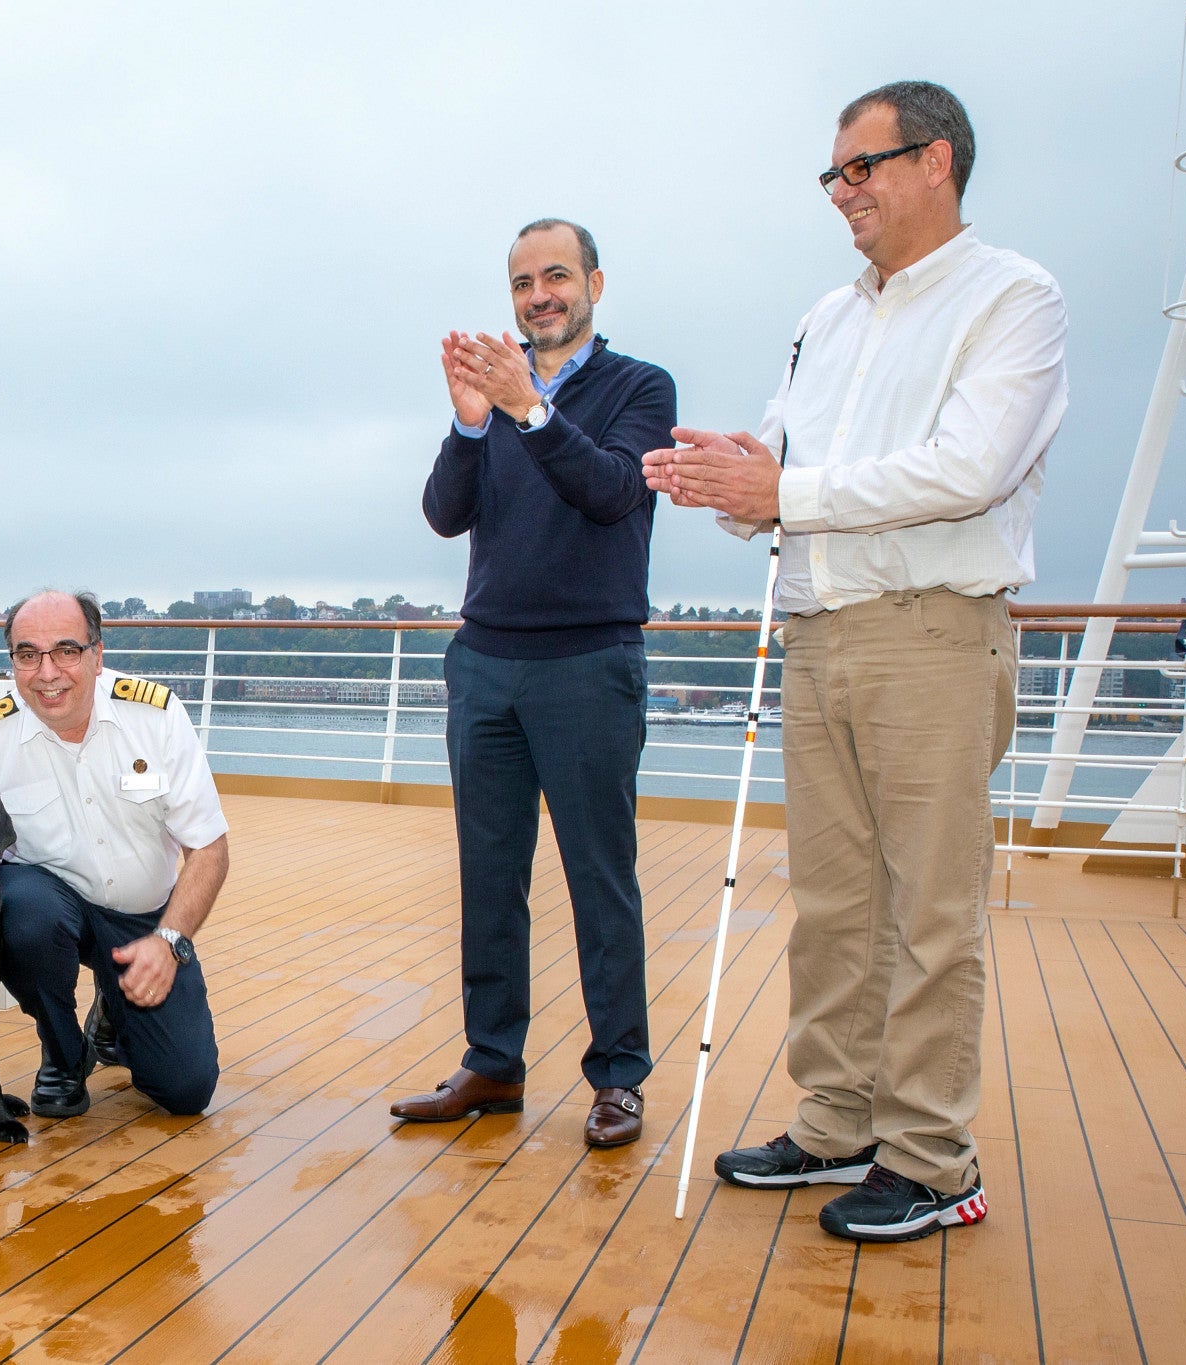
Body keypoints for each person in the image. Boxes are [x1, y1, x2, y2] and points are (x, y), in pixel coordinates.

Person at [643, 81, 1066, 1241]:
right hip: (818, 638)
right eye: (831, 175)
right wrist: (729, 476)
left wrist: (783, 489)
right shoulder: (824, 318)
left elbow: (964, 468)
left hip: (931, 632)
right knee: (830, 904)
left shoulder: (1012, 299)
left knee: (931, 912)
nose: (841, 193)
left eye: (859, 169)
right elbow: (787, 459)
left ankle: (931, 1158)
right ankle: (836, 1120)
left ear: (935, 163)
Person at [390, 219, 676, 1149]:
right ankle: (493, 1063)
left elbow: (609, 491)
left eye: (556, 275)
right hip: (486, 662)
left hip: (589, 662)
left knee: (601, 877)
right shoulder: (495, 392)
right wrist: (471, 423)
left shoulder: (639, 387)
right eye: (521, 282)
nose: (538, 295)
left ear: (595, 281)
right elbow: (443, 515)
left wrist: (528, 409)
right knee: (489, 873)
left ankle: (618, 1076)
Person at [0, 590, 229, 1118]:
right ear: (12, 660)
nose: (47, 671)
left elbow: (210, 848)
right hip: (48, 912)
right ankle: (61, 1053)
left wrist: (169, 943)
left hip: (146, 924)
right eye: (27, 654)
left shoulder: (155, 715)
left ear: (97, 654)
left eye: (66, 650)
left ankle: (113, 1016)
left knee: (185, 1089)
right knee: (22, 908)